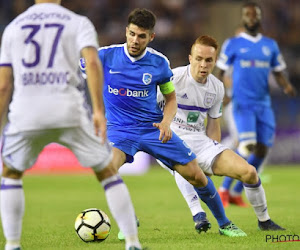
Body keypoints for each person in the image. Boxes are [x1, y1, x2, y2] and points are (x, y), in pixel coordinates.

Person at [80, 8, 246, 238]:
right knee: (107, 169)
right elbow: (79, 70)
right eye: (132, 34)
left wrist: (167, 122)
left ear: (151, 37)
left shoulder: (159, 63)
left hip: (153, 128)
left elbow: (170, 99)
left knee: (197, 175)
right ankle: (128, 219)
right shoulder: (105, 56)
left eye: (141, 36)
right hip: (120, 130)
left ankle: (225, 223)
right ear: (126, 31)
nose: (135, 40)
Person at [0, 1, 141, 250]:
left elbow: (3, 85)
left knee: (11, 174)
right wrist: (98, 110)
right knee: (107, 173)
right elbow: (93, 63)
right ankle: (132, 242)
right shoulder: (78, 22)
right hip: (68, 110)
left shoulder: (13, 27)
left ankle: (12, 244)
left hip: (26, 112)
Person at [157, 34, 285, 233]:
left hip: (200, 141)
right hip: (169, 140)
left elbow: (213, 125)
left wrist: (213, 151)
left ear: (215, 62)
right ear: (190, 58)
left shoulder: (217, 87)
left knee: (249, 172)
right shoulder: (172, 78)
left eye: (208, 60)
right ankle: (198, 214)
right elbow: (149, 107)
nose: (203, 64)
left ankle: (264, 221)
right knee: (184, 160)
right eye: (198, 59)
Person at [216, 2, 297, 207]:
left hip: (264, 105)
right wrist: (222, 93)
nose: (251, 18)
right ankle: (224, 189)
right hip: (242, 104)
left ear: (260, 18)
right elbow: (221, 71)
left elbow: (278, 71)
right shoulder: (232, 44)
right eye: (247, 15)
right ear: (243, 18)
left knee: (261, 151)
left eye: (255, 15)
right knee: (246, 145)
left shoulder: (270, 45)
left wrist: (287, 86)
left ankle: (235, 191)